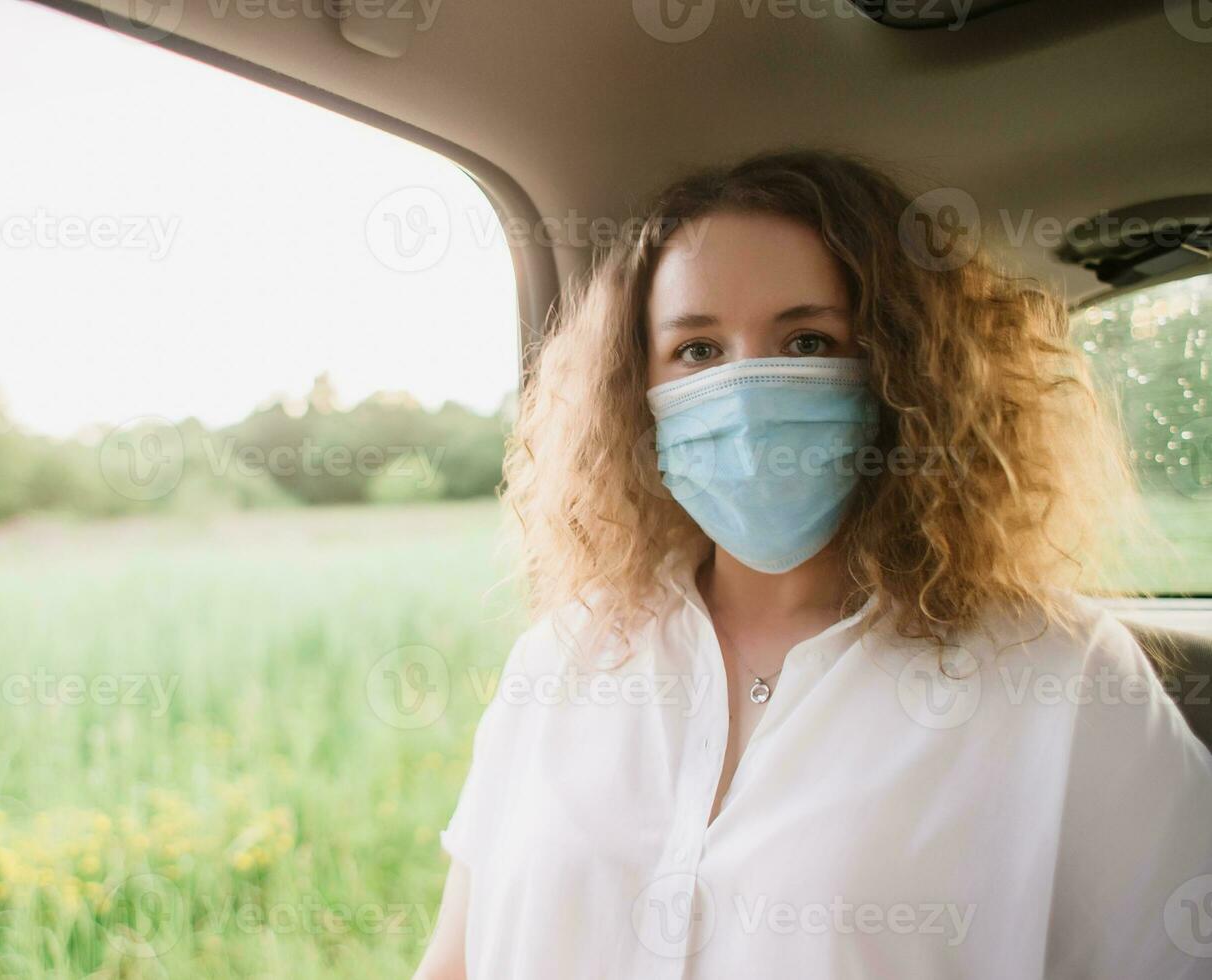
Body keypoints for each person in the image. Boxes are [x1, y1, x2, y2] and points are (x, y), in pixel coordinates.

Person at [412, 150, 1212, 979]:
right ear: (634, 387)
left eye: (806, 340)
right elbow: (454, 964)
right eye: (697, 350)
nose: (747, 395)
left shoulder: (1060, 677)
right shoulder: (560, 657)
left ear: (900, 371)